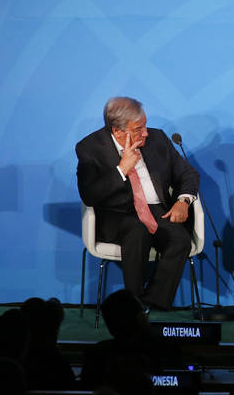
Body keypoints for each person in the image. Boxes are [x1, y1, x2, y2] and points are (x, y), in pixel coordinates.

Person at [76, 96, 200, 311]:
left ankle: (153, 301)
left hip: (156, 209)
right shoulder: (90, 148)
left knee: (180, 239)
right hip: (118, 214)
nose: (146, 133)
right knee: (137, 232)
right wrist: (121, 169)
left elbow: (188, 173)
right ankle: (133, 303)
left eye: (145, 125)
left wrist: (183, 200)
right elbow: (90, 195)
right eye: (139, 129)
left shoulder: (158, 139)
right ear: (117, 131)